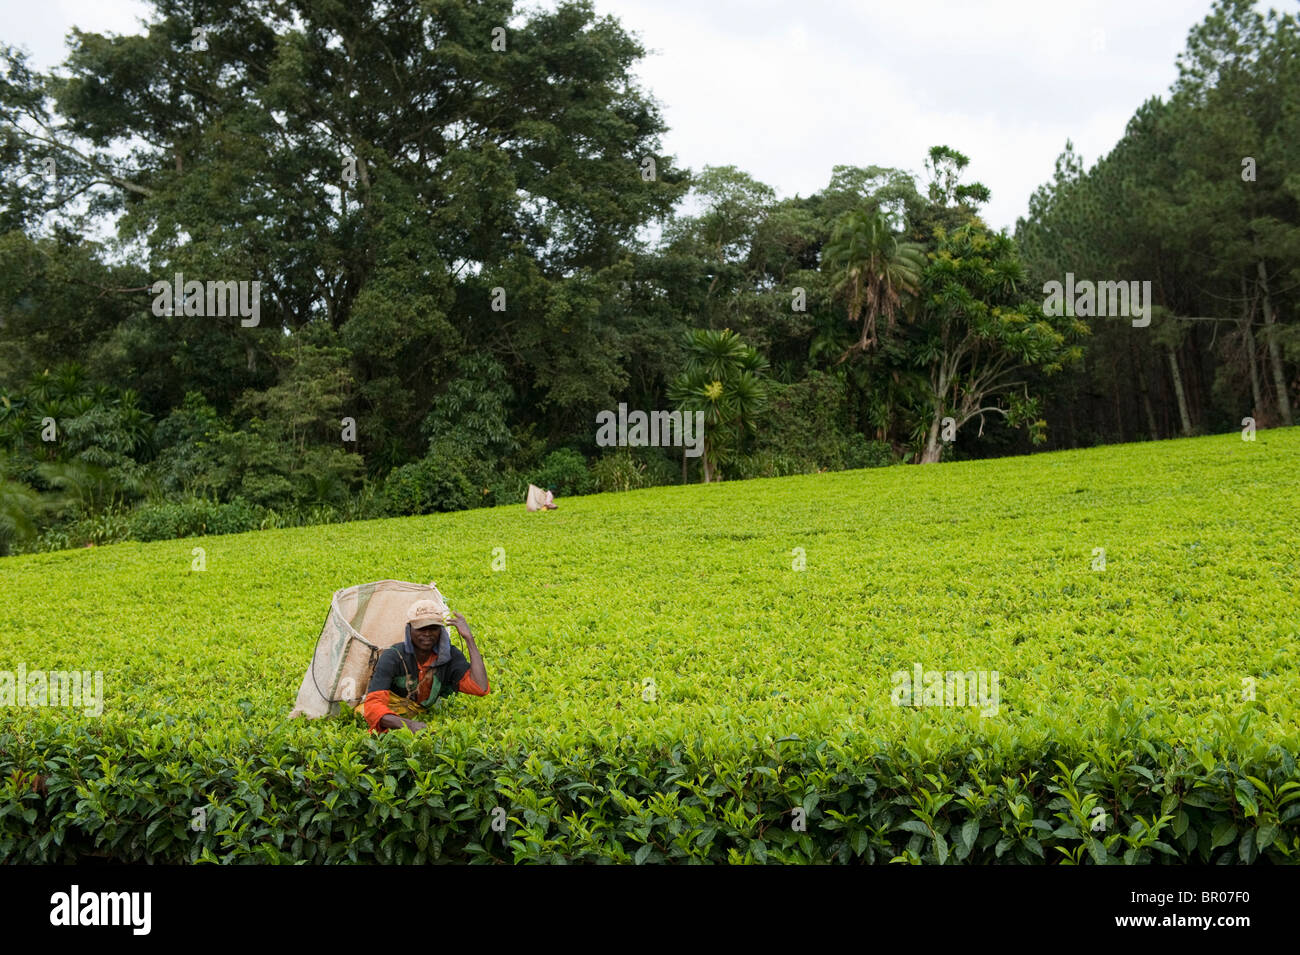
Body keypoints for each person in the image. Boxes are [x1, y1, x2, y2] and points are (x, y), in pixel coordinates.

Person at [357, 598, 489, 734]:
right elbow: (373, 705)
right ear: (409, 630)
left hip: (420, 713)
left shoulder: (450, 656)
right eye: (421, 628)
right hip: (391, 712)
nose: (427, 633)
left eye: (433, 628)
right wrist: (409, 725)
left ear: (441, 631)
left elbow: (480, 687)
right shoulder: (393, 656)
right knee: (362, 712)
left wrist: (469, 638)